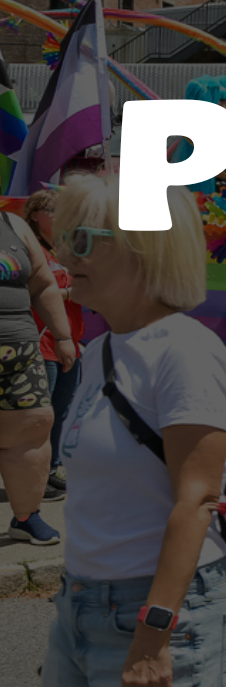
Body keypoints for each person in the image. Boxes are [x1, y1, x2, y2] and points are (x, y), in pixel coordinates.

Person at [42, 173, 226, 687]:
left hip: (159, 611)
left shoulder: (184, 351)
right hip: (80, 603)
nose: (65, 254)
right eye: (64, 238)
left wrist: (153, 634)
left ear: (144, 250)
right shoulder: (99, 353)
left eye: (83, 240)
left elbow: (197, 499)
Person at [1, 194, 77, 546]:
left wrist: (62, 337)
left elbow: (43, 283)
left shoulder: (13, 225)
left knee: (33, 428)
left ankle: (26, 518)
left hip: (20, 351)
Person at [25, 189, 83, 497]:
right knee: (40, 415)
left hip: (70, 341)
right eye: (51, 209)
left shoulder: (66, 249)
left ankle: (51, 469)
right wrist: (70, 293)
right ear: (35, 215)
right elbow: (32, 295)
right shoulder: (31, 250)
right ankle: (33, 476)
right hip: (42, 342)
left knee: (61, 411)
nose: (59, 214)